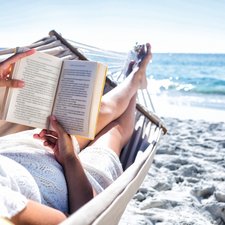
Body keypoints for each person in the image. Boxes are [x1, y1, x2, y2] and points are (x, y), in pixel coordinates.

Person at [0, 43, 152, 225]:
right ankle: (135, 79)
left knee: (95, 113)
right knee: (114, 132)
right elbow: (83, 218)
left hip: (17, 151)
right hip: (71, 185)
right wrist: (70, 157)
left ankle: (133, 79)